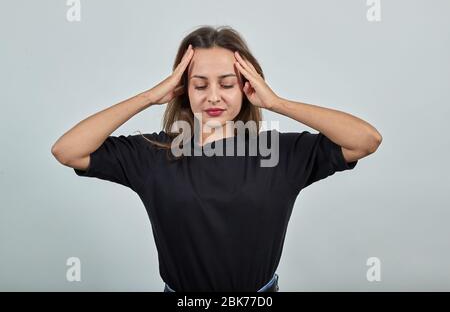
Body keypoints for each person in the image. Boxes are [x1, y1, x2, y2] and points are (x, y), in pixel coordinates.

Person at [51, 25, 382, 292]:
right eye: (199, 85)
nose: (213, 96)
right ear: (183, 89)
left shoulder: (281, 153)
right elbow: (68, 151)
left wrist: (278, 103)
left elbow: (366, 140)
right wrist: (149, 97)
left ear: (247, 88)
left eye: (227, 84)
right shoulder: (153, 154)